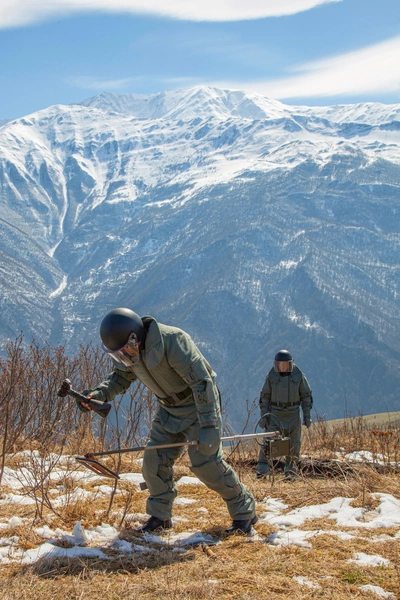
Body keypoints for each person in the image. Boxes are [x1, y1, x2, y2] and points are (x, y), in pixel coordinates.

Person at [78, 308, 258, 534]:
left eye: (126, 351)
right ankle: (160, 517)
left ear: (136, 337)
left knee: (207, 465)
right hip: (168, 409)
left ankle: (245, 511)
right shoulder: (130, 352)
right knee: (153, 463)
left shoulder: (173, 341)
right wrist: (99, 394)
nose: (124, 357)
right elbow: (121, 377)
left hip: (198, 405)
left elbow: (203, 384)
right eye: (118, 354)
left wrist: (209, 427)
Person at [256, 349, 313, 480]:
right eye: (279, 365)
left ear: (290, 364)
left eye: (285, 365)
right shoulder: (271, 377)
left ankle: (291, 472)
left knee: (294, 444)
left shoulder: (299, 377)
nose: (282, 368)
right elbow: (265, 398)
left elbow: (306, 397)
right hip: (275, 414)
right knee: (268, 442)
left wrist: (307, 416)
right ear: (275, 365)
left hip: (293, 414)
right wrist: (264, 416)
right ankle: (262, 470)